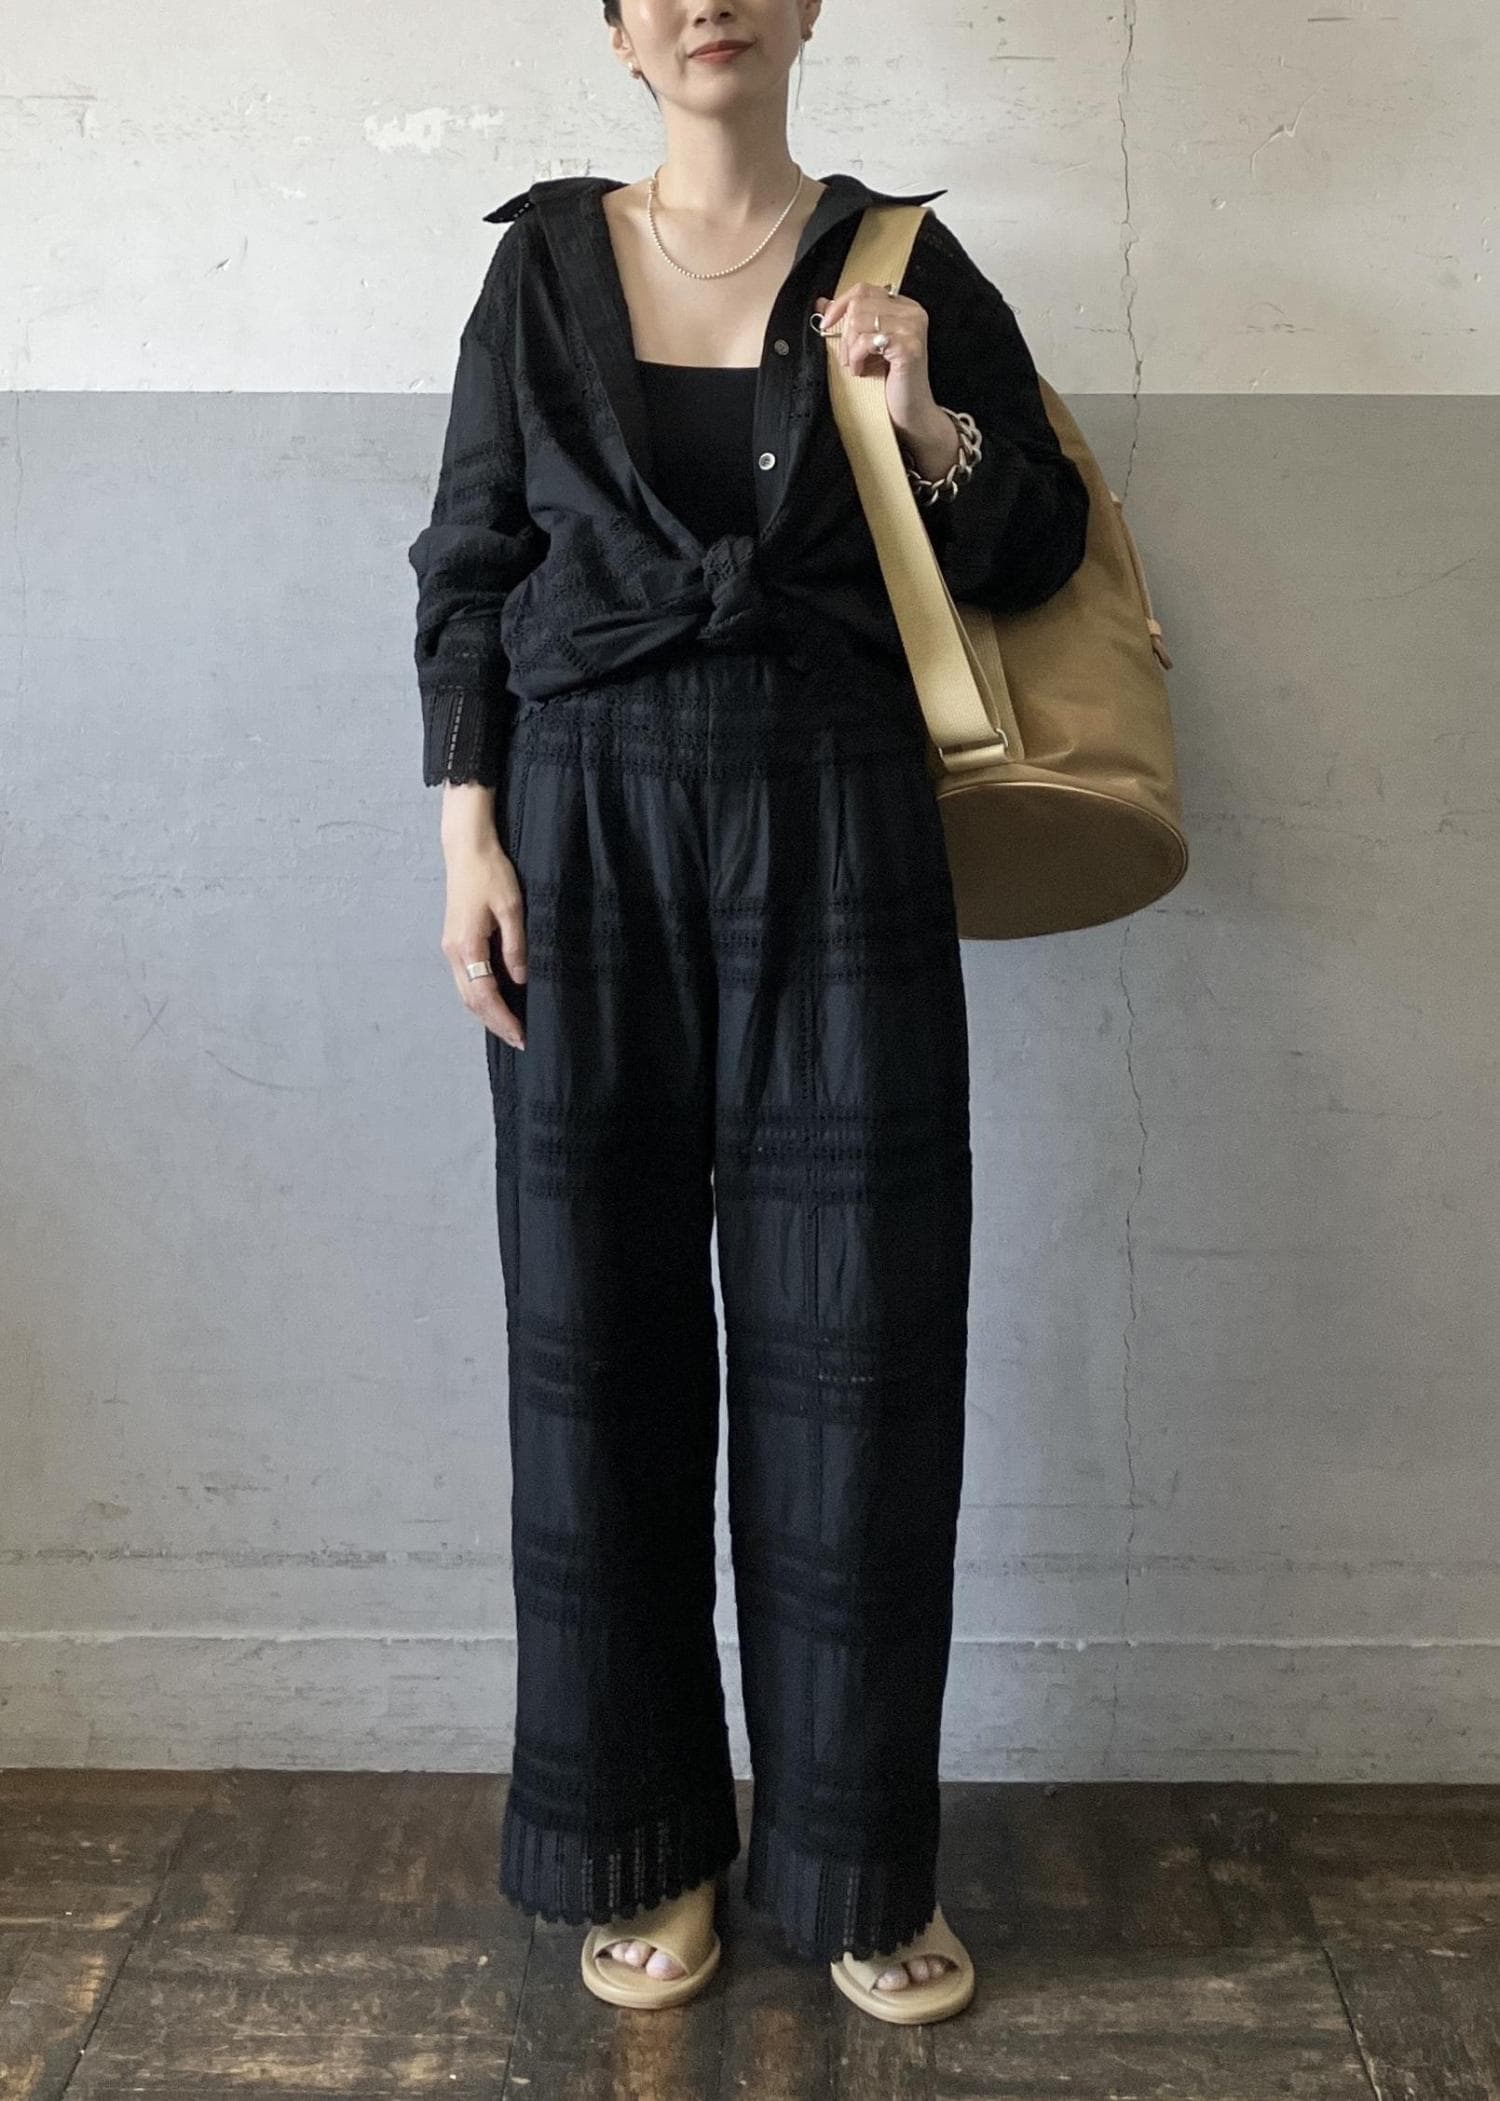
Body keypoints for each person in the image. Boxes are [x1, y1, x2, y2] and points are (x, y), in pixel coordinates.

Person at [407, 0, 1089, 2026]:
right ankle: (644, 1843)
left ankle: (857, 1867)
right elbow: (471, 562)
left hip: (838, 820)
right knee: (593, 1348)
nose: (708, 0)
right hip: (584, 830)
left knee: (855, 1348)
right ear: (621, 34)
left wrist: (926, 415)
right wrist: (468, 837)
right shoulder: (541, 264)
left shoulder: (902, 259)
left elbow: (1036, 546)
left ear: (802, 16)